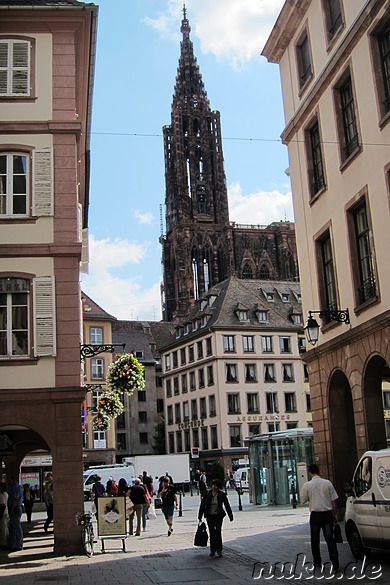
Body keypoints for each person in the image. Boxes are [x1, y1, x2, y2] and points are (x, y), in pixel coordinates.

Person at [300, 463, 339, 571]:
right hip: (327, 514)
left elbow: (302, 500)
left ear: (310, 473)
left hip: (315, 515)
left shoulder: (307, 485)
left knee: (315, 539)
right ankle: (335, 561)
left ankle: (317, 562)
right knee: (330, 538)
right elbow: (333, 500)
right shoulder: (327, 483)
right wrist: (335, 514)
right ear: (319, 471)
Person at [198, 478, 233, 557]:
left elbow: (227, 505)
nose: (213, 486)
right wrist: (200, 516)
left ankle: (219, 550)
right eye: (213, 485)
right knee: (212, 532)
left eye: (214, 485)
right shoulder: (208, 494)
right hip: (209, 516)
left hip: (218, 515)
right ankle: (212, 550)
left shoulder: (221, 494)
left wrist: (230, 516)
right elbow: (203, 505)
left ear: (217, 487)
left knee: (218, 532)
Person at [7, 476, 23, 551]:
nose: (8, 482)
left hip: (15, 508)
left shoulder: (16, 488)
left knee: (16, 527)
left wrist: (12, 510)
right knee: (13, 528)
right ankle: (12, 544)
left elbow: (14, 500)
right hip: (15, 508)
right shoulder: (14, 487)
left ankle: (19, 545)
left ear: (13, 480)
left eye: (9, 480)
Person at [0, 482, 10, 550]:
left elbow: (2, 505)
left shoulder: (1, 495)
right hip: (6, 512)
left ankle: (3, 543)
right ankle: (6, 541)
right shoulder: (6, 494)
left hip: (2, 513)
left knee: (2, 528)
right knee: (5, 527)